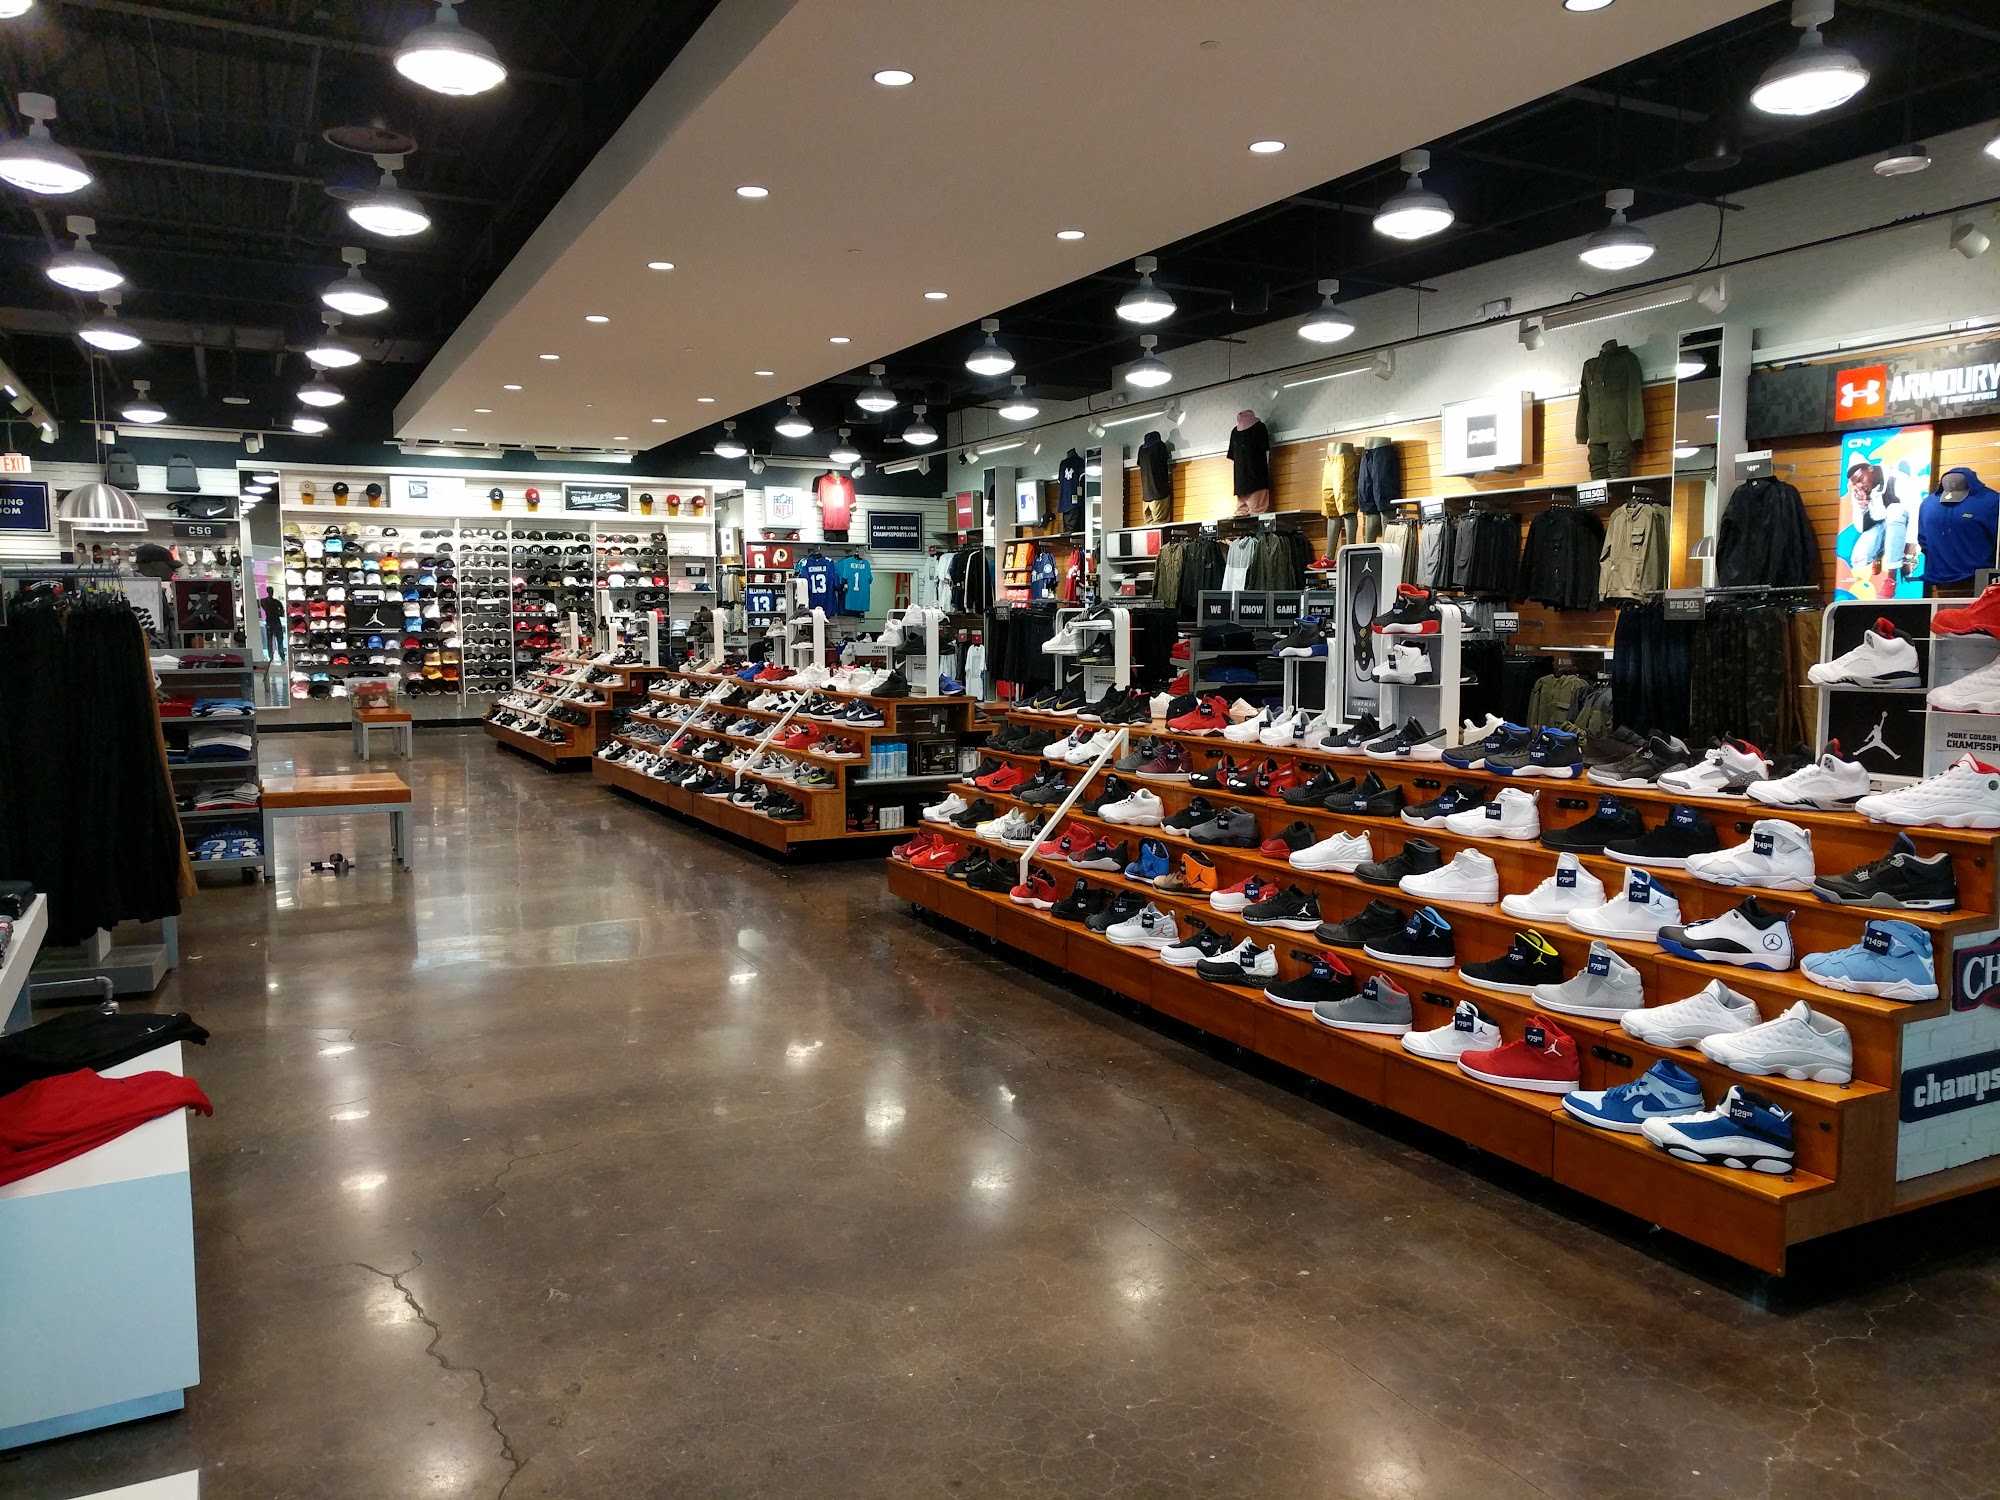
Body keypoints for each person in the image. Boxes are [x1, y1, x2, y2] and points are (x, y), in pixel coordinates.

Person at [258, 585, 285, 661]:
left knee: (275, 640)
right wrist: (277, 613)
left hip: (273, 622)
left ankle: (275, 656)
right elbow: (282, 612)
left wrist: (275, 613)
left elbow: (282, 612)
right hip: (273, 622)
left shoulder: (266, 601)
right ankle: (275, 656)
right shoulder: (274, 602)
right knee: (275, 640)